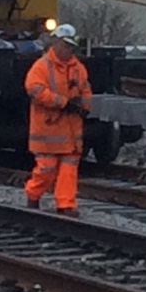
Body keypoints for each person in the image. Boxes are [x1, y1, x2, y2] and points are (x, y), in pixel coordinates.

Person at [24, 24, 93, 215]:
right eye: (65, 45)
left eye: (70, 46)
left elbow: (85, 90)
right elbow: (34, 89)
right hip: (48, 129)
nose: (68, 50)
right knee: (46, 168)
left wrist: (85, 107)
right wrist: (63, 102)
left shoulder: (78, 68)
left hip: (71, 130)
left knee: (69, 169)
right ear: (55, 43)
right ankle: (33, 194)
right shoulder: (42, 66)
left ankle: (66, 205)